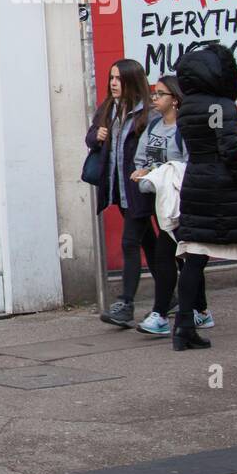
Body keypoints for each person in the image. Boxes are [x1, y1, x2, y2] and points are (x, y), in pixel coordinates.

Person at [170, 43, 237, 351]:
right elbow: (227, 152)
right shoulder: (220, 106)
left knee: (194, 257)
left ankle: (183, 328)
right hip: (225, 190)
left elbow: (211, 144)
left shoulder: (186, 106)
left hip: (197, 184)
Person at [131, 76, 213, 335]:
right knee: (183, 257)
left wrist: (159, 172)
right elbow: (140, 158)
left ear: (175, 100)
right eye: (154, 94)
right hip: (160, 200)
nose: (154, 99)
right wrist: (145, 174)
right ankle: (200, 311)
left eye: (161, 94)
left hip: (183, 202)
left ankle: (162, 314)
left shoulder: (185, 130)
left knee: (174, 256)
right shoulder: (153, 126)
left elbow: (192, 166)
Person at [86, 59, 157, 327]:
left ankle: (126, 304)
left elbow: (154, 148)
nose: (113, 83)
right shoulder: (108, 108)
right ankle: (170, 297)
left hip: (139, 188)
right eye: (111, 78)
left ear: (132, 81)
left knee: (130, 242)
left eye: (119, 79)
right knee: (149, 241)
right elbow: (91, 137)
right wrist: (97, 136)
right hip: (119, 188)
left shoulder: (147, 113)